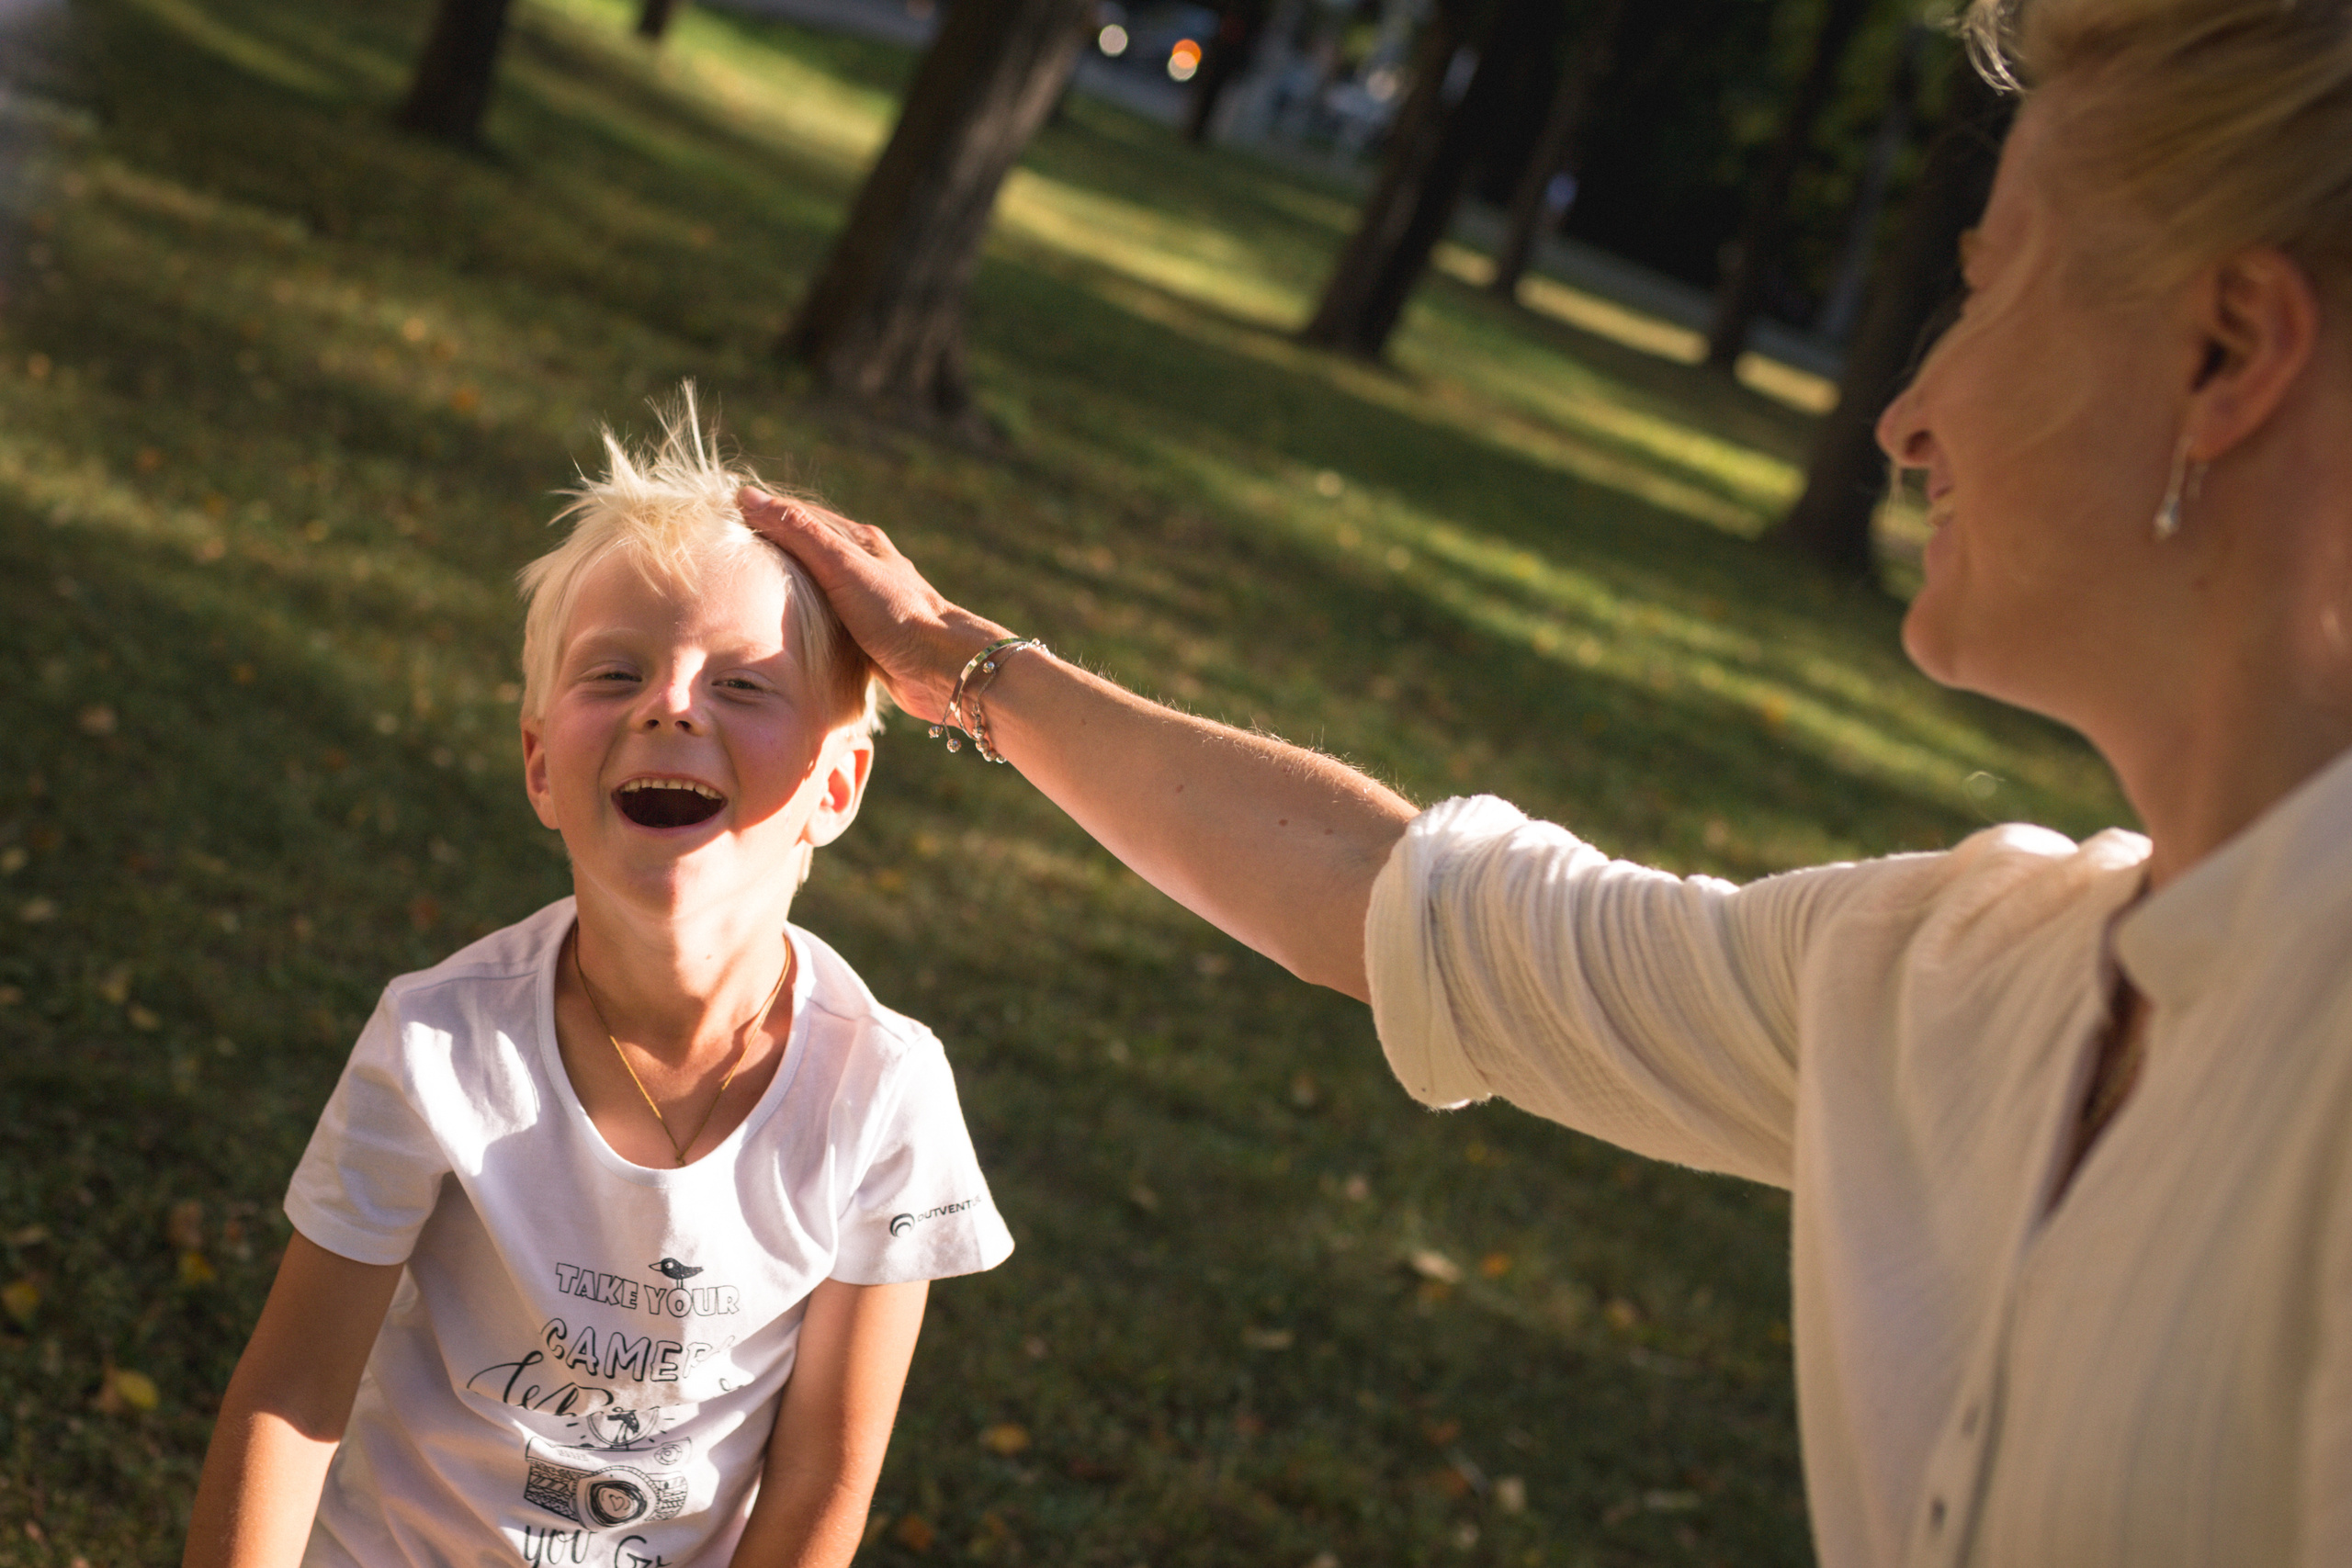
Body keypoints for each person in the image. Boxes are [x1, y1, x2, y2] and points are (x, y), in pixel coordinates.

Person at [744, 0, 2352, 1552]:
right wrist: (962, 659)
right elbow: (1405, 909)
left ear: (2227, 355)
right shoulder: (1963, 976)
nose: (1908, 415)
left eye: (1992, 297)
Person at [182, 398, 1014, 1568]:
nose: (670, 703)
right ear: (538, 764)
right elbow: (292, 1395)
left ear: (837, 788)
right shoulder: (438, 1041)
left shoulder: (884, 1089)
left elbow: (824, 1479)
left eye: (742, 685)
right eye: (614, 672)